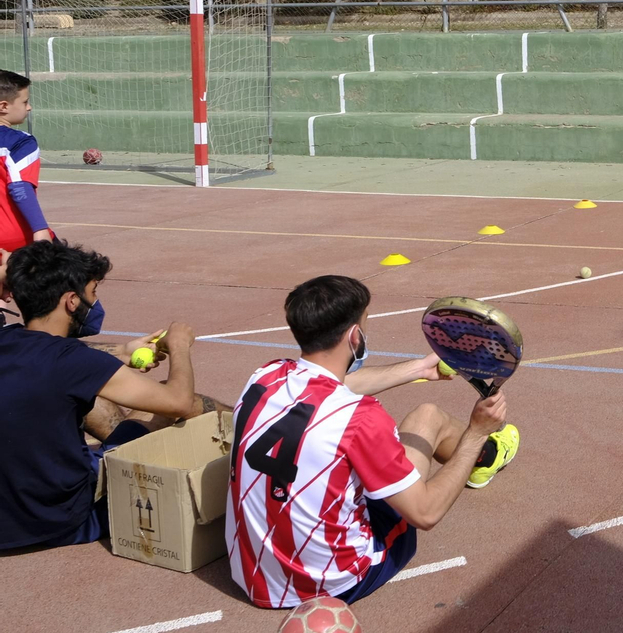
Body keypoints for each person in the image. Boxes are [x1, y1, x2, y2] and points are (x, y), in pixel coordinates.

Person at [227, 275, 520, 609]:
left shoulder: (265, 376)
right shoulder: (360, 419)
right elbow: (425, 514)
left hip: (251, 573)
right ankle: (485, 455)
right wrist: (476, 432)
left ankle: (483, 453)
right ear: (356, 336)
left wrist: (417, 369)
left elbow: (340, 383)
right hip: (331, 583)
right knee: (428, 418)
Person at [0, 240, 203, 551]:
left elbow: (58, 355)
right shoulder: (75, 362)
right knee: (189, 406)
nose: (93, 303)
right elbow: (179, 400)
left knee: (89, 397)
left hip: (7, 522)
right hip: (61, 521)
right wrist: (178, 345)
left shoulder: (11, 339)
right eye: (92, 293)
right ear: (71, 301)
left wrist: (121, 352)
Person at [0, 69, 104, 334]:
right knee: (81, 305)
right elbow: (20, 188)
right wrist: (41, 232)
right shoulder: (18, 142)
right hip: (20, 239)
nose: (29, 106)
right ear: (3, 106)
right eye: (24, 102)